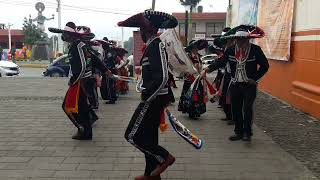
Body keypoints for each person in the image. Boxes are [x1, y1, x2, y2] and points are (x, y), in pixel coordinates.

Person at [118, 9, 178, 180]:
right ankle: (150, 175)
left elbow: (163, 77)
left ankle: (164, 157)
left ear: (148, 29)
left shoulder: (156, 45)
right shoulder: (152, 45)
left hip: (153, 100)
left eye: (141, 29)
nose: (140, 33)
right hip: (154, 98)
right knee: (149, 138)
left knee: (132, 135)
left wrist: (148, 98)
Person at [202, 25, 269, 142]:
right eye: (238, 39)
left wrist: (255, 78)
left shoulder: (255, 50)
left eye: (243, 39)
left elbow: (265, 66)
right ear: (235, 39)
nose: (240, 41)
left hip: (249, 85)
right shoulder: (231, 50)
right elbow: (220, 61)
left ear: (247, 39)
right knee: (236, 109)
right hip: (235, 84)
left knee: (247, 108)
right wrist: (207, 70)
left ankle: (247, 133)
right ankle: (238, 132)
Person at [48, 22, 111, 140]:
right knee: (82, 107)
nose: (64, 37)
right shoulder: (81, 45)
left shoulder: (76, 46)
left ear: (70, 35)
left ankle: (83, 129)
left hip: (81, 81)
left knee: (68, 106)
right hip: (83, 80)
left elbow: (82, 66)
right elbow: (95, 58)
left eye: (65, 34)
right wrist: (105, 70)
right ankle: (86, 129)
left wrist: (73, 81)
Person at [178, 39, 208, 119]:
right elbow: (185, 67)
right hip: (190, 79)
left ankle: (197, 111)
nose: (196, 49)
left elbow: (201, 67)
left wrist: (202, 72)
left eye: (197, 47)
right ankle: (192, 112)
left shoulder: (198, 56)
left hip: (198, 78)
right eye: (194, 47)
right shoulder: (188, 56)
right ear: (191, 48)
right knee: (191, 96)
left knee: (198, 96)